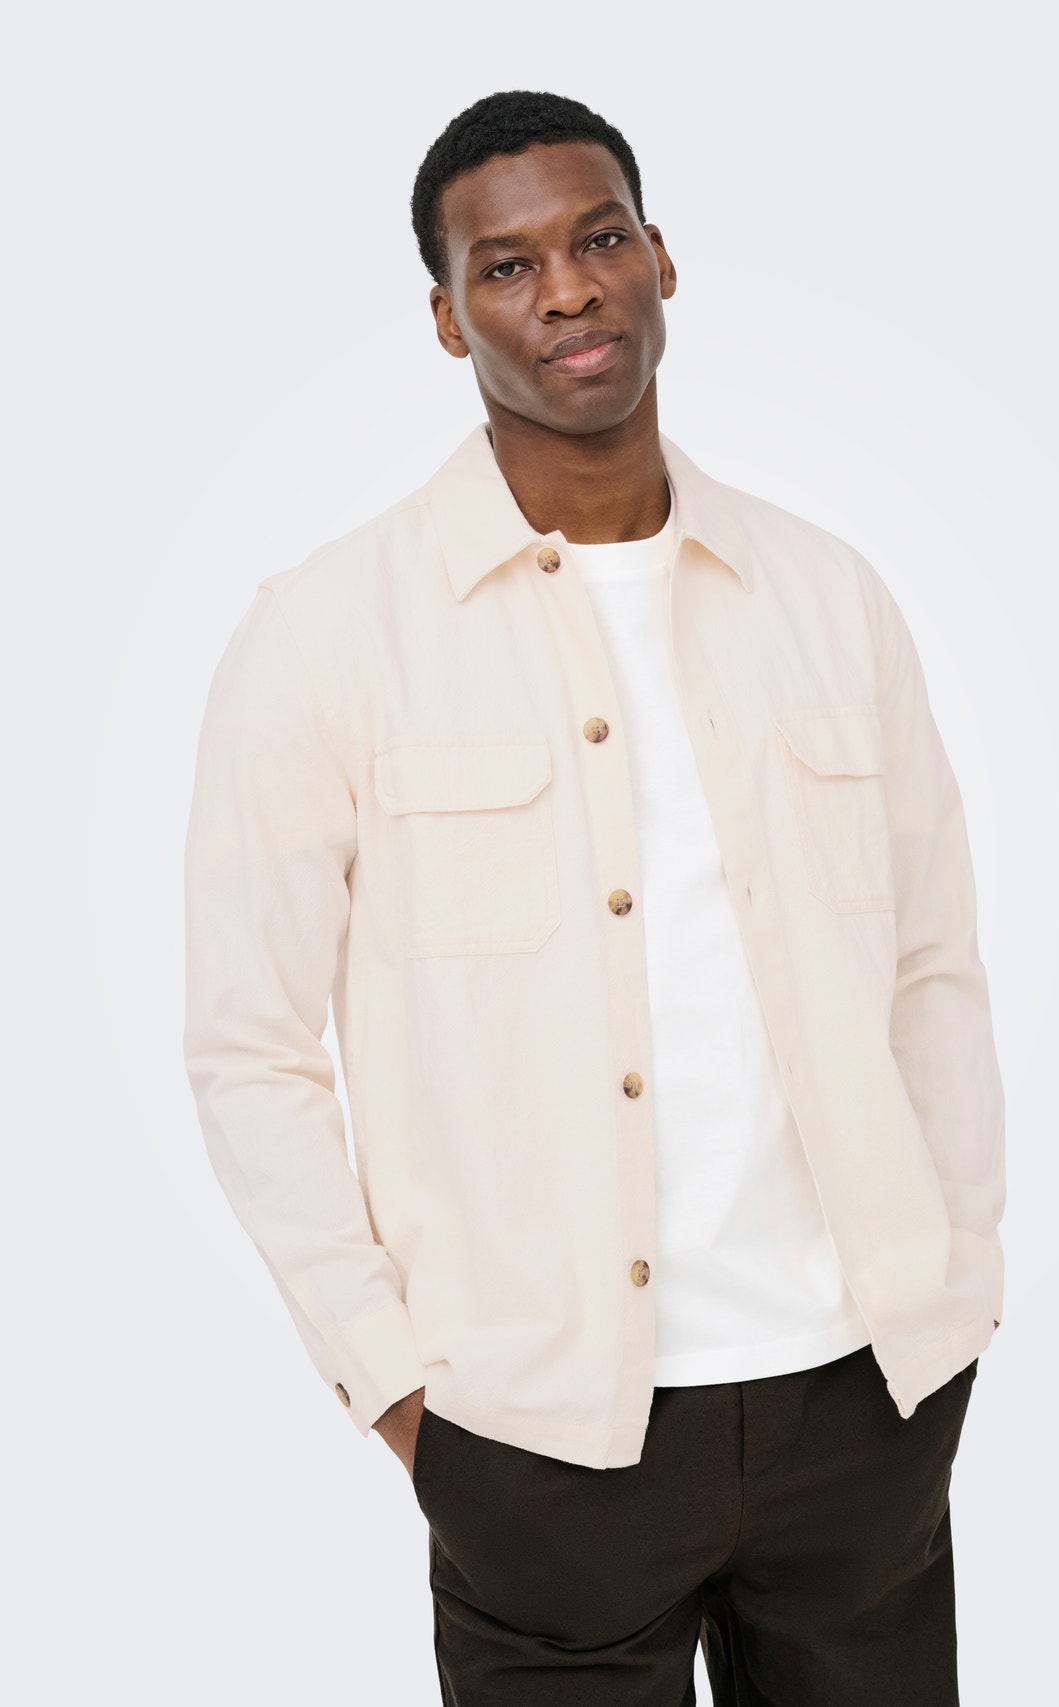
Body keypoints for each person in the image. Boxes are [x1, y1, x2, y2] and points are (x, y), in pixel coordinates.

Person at [183, 87, 1006, 1706]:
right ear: (447, 318)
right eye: (506, 266)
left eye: (599, 238)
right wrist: (398, 1388)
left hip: (862, 1402)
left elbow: (934, 970)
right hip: (537, 1435)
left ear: (660, 260)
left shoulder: (826, 595)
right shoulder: (328, 635)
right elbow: (249, 1047)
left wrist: (954, 1279)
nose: (566, 289)